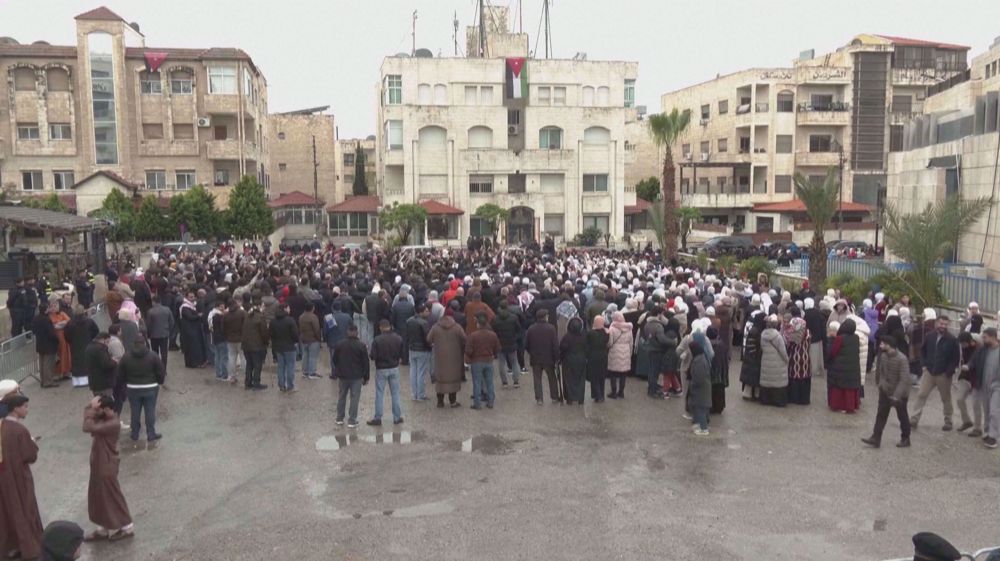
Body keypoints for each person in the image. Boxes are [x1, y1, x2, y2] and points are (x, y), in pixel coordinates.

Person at [82, 396, 134, 542]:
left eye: (99, 409)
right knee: (98, 496)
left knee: (113, 496)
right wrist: (91, 406)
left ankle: (127, 527)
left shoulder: (112, 423)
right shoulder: (105, 418)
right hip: (99, 463)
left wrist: (91, 409)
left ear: (106, 409)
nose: (97, 412)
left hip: (106, 465)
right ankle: (103, 528)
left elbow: (87, 427)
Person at [0, 394, 43, 560]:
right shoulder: (20, 430)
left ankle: (12, 546)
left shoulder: (2, 426)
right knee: (26, 509)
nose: (27, 410)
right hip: (19, 476)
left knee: (8, 509)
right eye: (25, 406)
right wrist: (32, 443)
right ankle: (30, 547)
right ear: (15, 409)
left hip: (5, 477)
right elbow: (30, 456)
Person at [862, 335, 912, 448]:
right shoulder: (884, 356)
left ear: (889, 345)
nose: (880, 345)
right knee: (881, 415)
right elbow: (882, 373)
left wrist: (896, 396)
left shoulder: (902, 359)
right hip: (885, 390)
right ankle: (876, 437)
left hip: (900, 394)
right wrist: (881, 385)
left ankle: (906, 438)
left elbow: (904, 379)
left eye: (882, 343)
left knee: (902, 416)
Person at [911, 316, 960, 431]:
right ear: (936, 323)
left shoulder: (952, 339)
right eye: (941, 323)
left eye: (945, 324)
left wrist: (949, 372)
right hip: (929, 372)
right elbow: (923, 351)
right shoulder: (929, 336)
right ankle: (914, 419)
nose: (943, 326)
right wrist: (923, 365)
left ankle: (948, 421)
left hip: (943, 374)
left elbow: (956, 358)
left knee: (946, 398)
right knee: (921, 395)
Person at [118, 337, 165, 441]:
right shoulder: (153, 355)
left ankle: (134, 434)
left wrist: (126, 382)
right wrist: (159, 382)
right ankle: (151, 433)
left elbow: (120, 373)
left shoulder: (126, 356)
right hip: (150, 387)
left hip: (133, 387)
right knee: (150, 411)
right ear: (145, 343)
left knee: (135, 411)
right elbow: (160, 370)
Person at [333, 324, 369, 428]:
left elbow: (335, 359)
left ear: (347, 332)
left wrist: (338, 369)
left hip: (343, 376)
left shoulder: (340, 344)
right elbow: (365, 363)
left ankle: (339, 418)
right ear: (357, 332)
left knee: (342, 396)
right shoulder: (361, 345)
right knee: (354, 398)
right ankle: (352, 420)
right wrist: (366, 377)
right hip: (356, 377)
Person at [368, 319, 404, 426]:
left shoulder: (377, 340)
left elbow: (373, 357)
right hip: (394, 367)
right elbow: (402, 353)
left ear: (380, 328)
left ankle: (378, 417)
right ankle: (397, 417)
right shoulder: (398, 338)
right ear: (390, 326)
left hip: (381, 369)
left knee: (380, 393)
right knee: (395, 393)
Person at [427, 312, 466, 408]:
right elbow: (464, 339)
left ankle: (440, 402)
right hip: (454, 357)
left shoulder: (435, 327)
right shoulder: (457, 327)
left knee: (440, 381)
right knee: (453, 380)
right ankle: (453, 402)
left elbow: (428, 339)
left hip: (440, 358)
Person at [971, 327, 1000, 448]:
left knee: (994, 410)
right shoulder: (983, 350)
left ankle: (993, 437)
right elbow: (974, 360)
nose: (983, 339)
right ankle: (987, 431)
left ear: (993, 337)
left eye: (985, 337)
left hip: (997, 386)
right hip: (984, 384)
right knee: (987, 410)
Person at [465, 313, 500, 410]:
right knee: (489, 382)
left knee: (477, 382)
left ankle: (477, 404)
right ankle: (490, 402)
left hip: (476, 361)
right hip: (488, 360)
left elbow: (468, 350)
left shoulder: (473, 335)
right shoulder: (493, 335)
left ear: (478, 324)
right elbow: (497, 348)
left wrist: (470, 356)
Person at [525, 309, 561, 405]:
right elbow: (555, 345)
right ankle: (554, 397)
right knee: (552, 378)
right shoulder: (551, 328)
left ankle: (539, 399)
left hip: (535, 357)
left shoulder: (531, 329)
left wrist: (531, 352)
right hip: (548, 358)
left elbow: (526, 344)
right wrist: (557, 357)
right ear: (545, 317)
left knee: (537, 379)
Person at [827, 319, 862, 414]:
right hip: (853, 366)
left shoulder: (840, 338)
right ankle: (850, 406)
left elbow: (833, 352)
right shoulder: (856, 338)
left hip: (841, 366)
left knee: (840, 386)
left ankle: (839, 405)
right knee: (850, 387)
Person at [953, 331, 981, 435]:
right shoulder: (963, 348)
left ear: (970, 341)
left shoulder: (979, 349)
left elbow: (973, 361)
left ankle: (978, 428)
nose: (962, 345)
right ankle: (967, 421)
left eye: (963, 343)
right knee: (960, 399)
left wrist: (968, 366)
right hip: (965, 378)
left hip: (977, 380)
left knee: (976, 404)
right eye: (961, 343)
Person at [758, 315, 789, 407]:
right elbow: (783, 351)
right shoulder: (778, 337)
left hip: (766, 360)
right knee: (777, 380)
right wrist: (787, 360)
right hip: (777, 362)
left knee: (767, 378)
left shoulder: (763, 335)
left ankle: (766, 399)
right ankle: (778, 401)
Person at [64, 305, 98, 388]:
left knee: (76, 362)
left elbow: (66, 335)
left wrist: (71, 341)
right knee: (88, 361)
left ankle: (77, 381)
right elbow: (96, 331)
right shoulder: (89, 321)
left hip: (75, 345)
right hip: (87, 343)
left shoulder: (70, 323)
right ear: (84, 311)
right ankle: (88, 379)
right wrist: (90, 337)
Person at [270, 304, 301, 392]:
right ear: (285, 309)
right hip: (289, 347)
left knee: (280, 366)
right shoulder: (290, 320)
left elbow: (271, 334)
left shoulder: (273, 321)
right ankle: (290, 386)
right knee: (290, 366)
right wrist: (295, 341)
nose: (289, 309)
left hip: (278, 347)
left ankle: (281, 385)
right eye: (288, 308)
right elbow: (295, 334)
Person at [491, 302, 521, 388]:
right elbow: (518, 329)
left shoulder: (495, 319)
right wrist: (515, 337)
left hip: (500, 343)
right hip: (511, 342)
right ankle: (516, 381)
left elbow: (493, 331)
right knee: (514, 362)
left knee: (501, 363)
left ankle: (504, 382)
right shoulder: (514, 318)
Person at [558, 317, 588, 405]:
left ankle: (570, 398)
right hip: (581, 359)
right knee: (581, 379)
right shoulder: (584, 336)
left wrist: (561, 358)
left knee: (568, 379)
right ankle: (580, 398)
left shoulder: (567, 337)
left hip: (568, 360)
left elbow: (562, 348)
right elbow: (587, 348)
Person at [241, 297, 269, 391]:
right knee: (257, 364)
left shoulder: (248, 316)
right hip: (257, 345)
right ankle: (256, 382)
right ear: (260, 306)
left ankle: (248, 382)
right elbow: (264, 332)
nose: (264, 307)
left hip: (246, 344)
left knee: (249, 364)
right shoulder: (260, 317)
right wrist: (266, 342)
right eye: (263, 306)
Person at [406, 304, 432, 400]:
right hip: (422, 350)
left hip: (412, 348)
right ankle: (420, 394)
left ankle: (414, 394)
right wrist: (430, 346)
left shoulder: (409, 321)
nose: (428, 312)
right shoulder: (424, 323)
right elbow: (427, 338)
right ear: (421, 312)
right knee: (421, 372)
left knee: (413, 371)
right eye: (426, 311)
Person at [32, 303, 61, 388]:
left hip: (40, 344)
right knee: (48, 364)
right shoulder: (46, 319)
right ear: (45, 310)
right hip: (49, 345)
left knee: (41, 363)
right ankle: (48, 381)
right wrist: (57, 339)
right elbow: (50, 333)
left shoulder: (36, 318)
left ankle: (43, 380)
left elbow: (33, 330)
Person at [606, 312, 633, 399]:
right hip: (626, 351)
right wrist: (630, 353)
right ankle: (621, 392)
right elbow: (631, 342)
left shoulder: (612, 328)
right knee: (623, 375)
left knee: (613, 373)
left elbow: (610, 342)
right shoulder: (629, 328)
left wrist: (608, 347)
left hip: (615, 351)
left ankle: (613, 392)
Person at [785, 317, 812, 405]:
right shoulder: (807, 332)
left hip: (794, 359)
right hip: (805, 358)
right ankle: (804, 399)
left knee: (794, 378)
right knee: (804, 378)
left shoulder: (791, 334)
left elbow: (788, 346)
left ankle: (794, 398)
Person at [688, 340, 712, 436]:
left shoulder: (698, 361)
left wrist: (693, 384)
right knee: (701, 408)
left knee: (701, 408)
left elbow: (698, 377)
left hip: (700, 389)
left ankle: (704, 428)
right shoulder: (702, 358)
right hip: (704, 388)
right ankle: (702, 426)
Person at [179, 292, 208, 368]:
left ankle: (197, 362)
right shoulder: (185, 307)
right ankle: (193, 363)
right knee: (192, 346)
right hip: (189, 329)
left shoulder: (192, 306)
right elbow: (189, 317)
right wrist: (198, 315)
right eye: (190, 297)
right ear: (187, 297)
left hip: (194, 328)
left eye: (193, 297)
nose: (192, 298)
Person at [84, 333, 117, 398]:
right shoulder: (101, 348)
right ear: (102, 339)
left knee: (98, 402)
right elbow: (106, 364)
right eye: (107, 341)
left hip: (94, 382)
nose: (108, 344)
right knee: (107, 402)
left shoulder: (89, 347)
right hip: (104, 382)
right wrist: (114, 361)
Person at [145, 294, 174, 369]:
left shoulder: (150, 312)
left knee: (155, 353)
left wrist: (148, 334)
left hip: (154, 335)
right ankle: (163, 369)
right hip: (164, 334)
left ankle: (157, 368)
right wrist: (168, 330)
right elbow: (172, 322)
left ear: (153, 302)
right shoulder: (167, 309)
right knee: (164, 353)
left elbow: (148, 325)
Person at [586, 316, 610, 403]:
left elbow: (586, 345)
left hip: (593, 357)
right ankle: (601, 395)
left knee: (594, 377)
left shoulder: (591, 333)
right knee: (601, 377)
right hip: (604, 356)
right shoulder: (607, 333)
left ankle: (598, 395)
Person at [222, 298, 245, 383]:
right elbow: (245, 324)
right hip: (241, 338)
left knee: (231, 357)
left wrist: (226, 335)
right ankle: (247, 375)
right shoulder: (242, 313)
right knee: (243, 357)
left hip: (230, 339)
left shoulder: (226, 315)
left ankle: (232, 376)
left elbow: (223, 328)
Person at [299, 302, 323, 380]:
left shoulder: (301, 316)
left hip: (304, 338)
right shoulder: (313, 317)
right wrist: (319, 339)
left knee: (305, 355)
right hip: (313, 339)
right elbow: (316, 329)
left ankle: (305, 372)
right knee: (313, 356)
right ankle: (312, 372)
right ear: (312, 308)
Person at [49, 301, 72, 380]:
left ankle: (66, 372)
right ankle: (57, 373)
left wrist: (60, 324)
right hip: (56, 339)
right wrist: (61, 323)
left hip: (64, 338)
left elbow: (68, 321)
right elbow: (53, 326)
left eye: (55, 306)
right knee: (58, 357)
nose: (54, 308)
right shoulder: (49, 316)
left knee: (66, 355)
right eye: (52, 306)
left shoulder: (62, 313)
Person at [208, 300, 228, 381]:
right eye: (222, 306)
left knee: (217, 356)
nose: (224, 308)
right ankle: (224, 375)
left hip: (214, 338)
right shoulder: (220, 317)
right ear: (218, 307)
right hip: (222, 339)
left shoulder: (211, 315)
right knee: (224, 357)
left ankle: (218, 374)